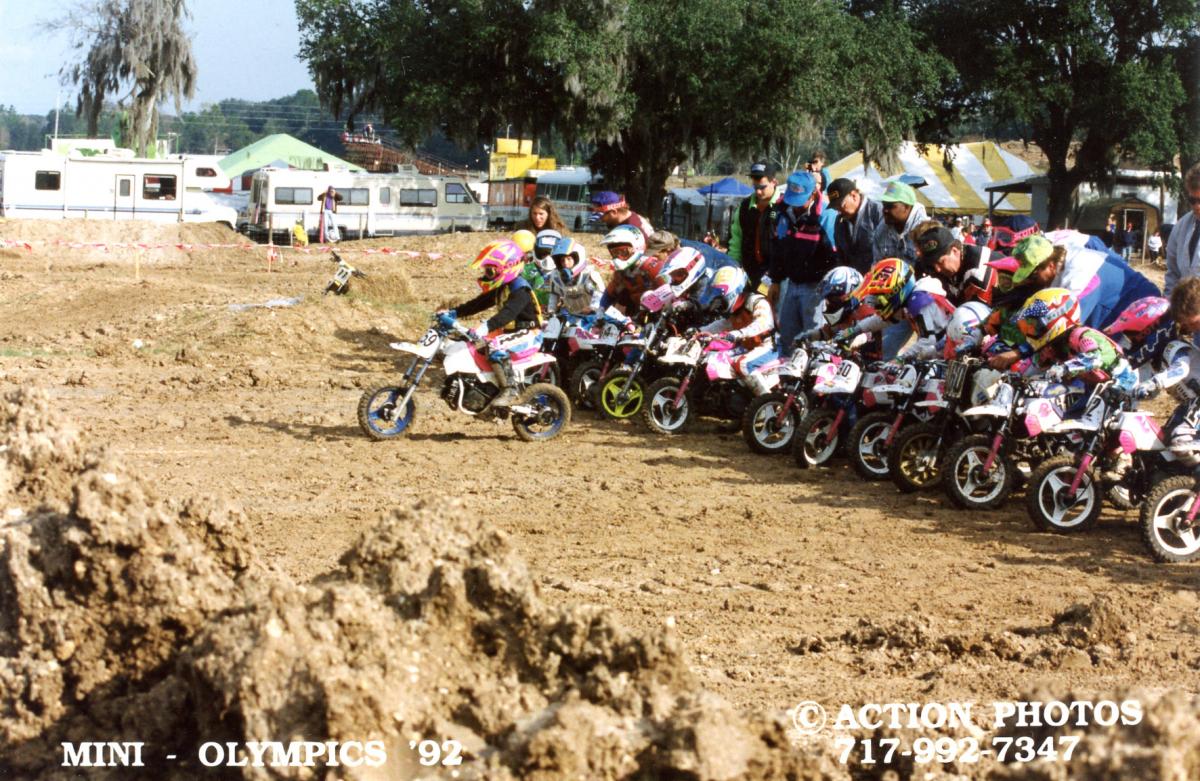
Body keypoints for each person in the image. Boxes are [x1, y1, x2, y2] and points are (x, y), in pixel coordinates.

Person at [439, 240, 543, 407]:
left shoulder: (521, 289)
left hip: (529, 334)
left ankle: (510, 389)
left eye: (491, 271)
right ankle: (482, 385)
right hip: (509, 332)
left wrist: (485, 327)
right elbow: (478, 303)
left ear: (508, 267)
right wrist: (453, 313)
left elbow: (507, 314)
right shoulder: (503, 287)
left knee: (495, 346)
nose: (488, 275)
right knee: (468, 342)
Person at [835, 258, 955, 362]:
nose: (878, 301)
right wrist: (854, 330)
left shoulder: (918, 300)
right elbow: (881, 320)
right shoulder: (909, 300)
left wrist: (901, 359)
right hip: (942, 348)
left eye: (881, 296)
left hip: (950, 349)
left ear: (896, 290)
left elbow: (928, 340)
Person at [768, 171, 836, 354]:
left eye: (801, 201)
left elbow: (834, 260)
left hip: (816, 288)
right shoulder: (781, 213)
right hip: (791, 284)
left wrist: (830, 294)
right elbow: (778, 248)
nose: (796, 206)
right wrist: (775, 279)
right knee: (787, 337)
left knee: (815, 340)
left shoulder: (826, 217)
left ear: (813, 194)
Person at [697, 266, 778, 385]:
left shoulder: (757, 302)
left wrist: (739, 334)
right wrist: (699, 331)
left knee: (743, 364)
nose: (719, 302)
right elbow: (722, 324)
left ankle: (766, 401)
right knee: (712, 358)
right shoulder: (735, 312)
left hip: (770, 346)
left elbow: (763, 324)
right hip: (749, 348)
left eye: (721, 297)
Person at [727, 161, 785, 291]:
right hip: (747, 272)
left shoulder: (784, 206)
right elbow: (736, 239)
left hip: (774, 276)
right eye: (755, 187)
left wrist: (777, 276)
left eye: (762, 187)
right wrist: (732, 265)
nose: (758, 192)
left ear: (774, 182)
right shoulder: (744, 206)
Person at [914, 225, 997, 306]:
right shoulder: (960, 254)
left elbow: (971, 316)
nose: (937, 269)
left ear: (954, 251)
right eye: (933, 264)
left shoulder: (977, 272)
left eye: (941, 262)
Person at [827, 177, 884, 273]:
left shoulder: (878, 212)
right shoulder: (839, 221)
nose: (838, 210)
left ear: (854, 195)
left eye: (841, 205)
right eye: (835, 207)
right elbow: (841, 257)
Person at [1164, 163, 1200, 296]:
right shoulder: (1181, 227)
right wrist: (1170, 303)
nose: (1197, 206)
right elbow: (1173, 273)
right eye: (1193, 200)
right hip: (1186, 310)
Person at [546, 238, 604, 317]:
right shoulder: (556, 277)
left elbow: (599, 294)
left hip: (592, 316)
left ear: (577, 258)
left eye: (569, 259)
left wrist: (592, 307)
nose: (565, 263)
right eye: (562, 260)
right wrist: (551, 310)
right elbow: (553, 296)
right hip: (571, 316)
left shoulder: (588, 274)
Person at [589, 191, 654, 239]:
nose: (601, 219)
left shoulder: (632, 228)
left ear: (614, 212)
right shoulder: (628, 217)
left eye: (602, 216)